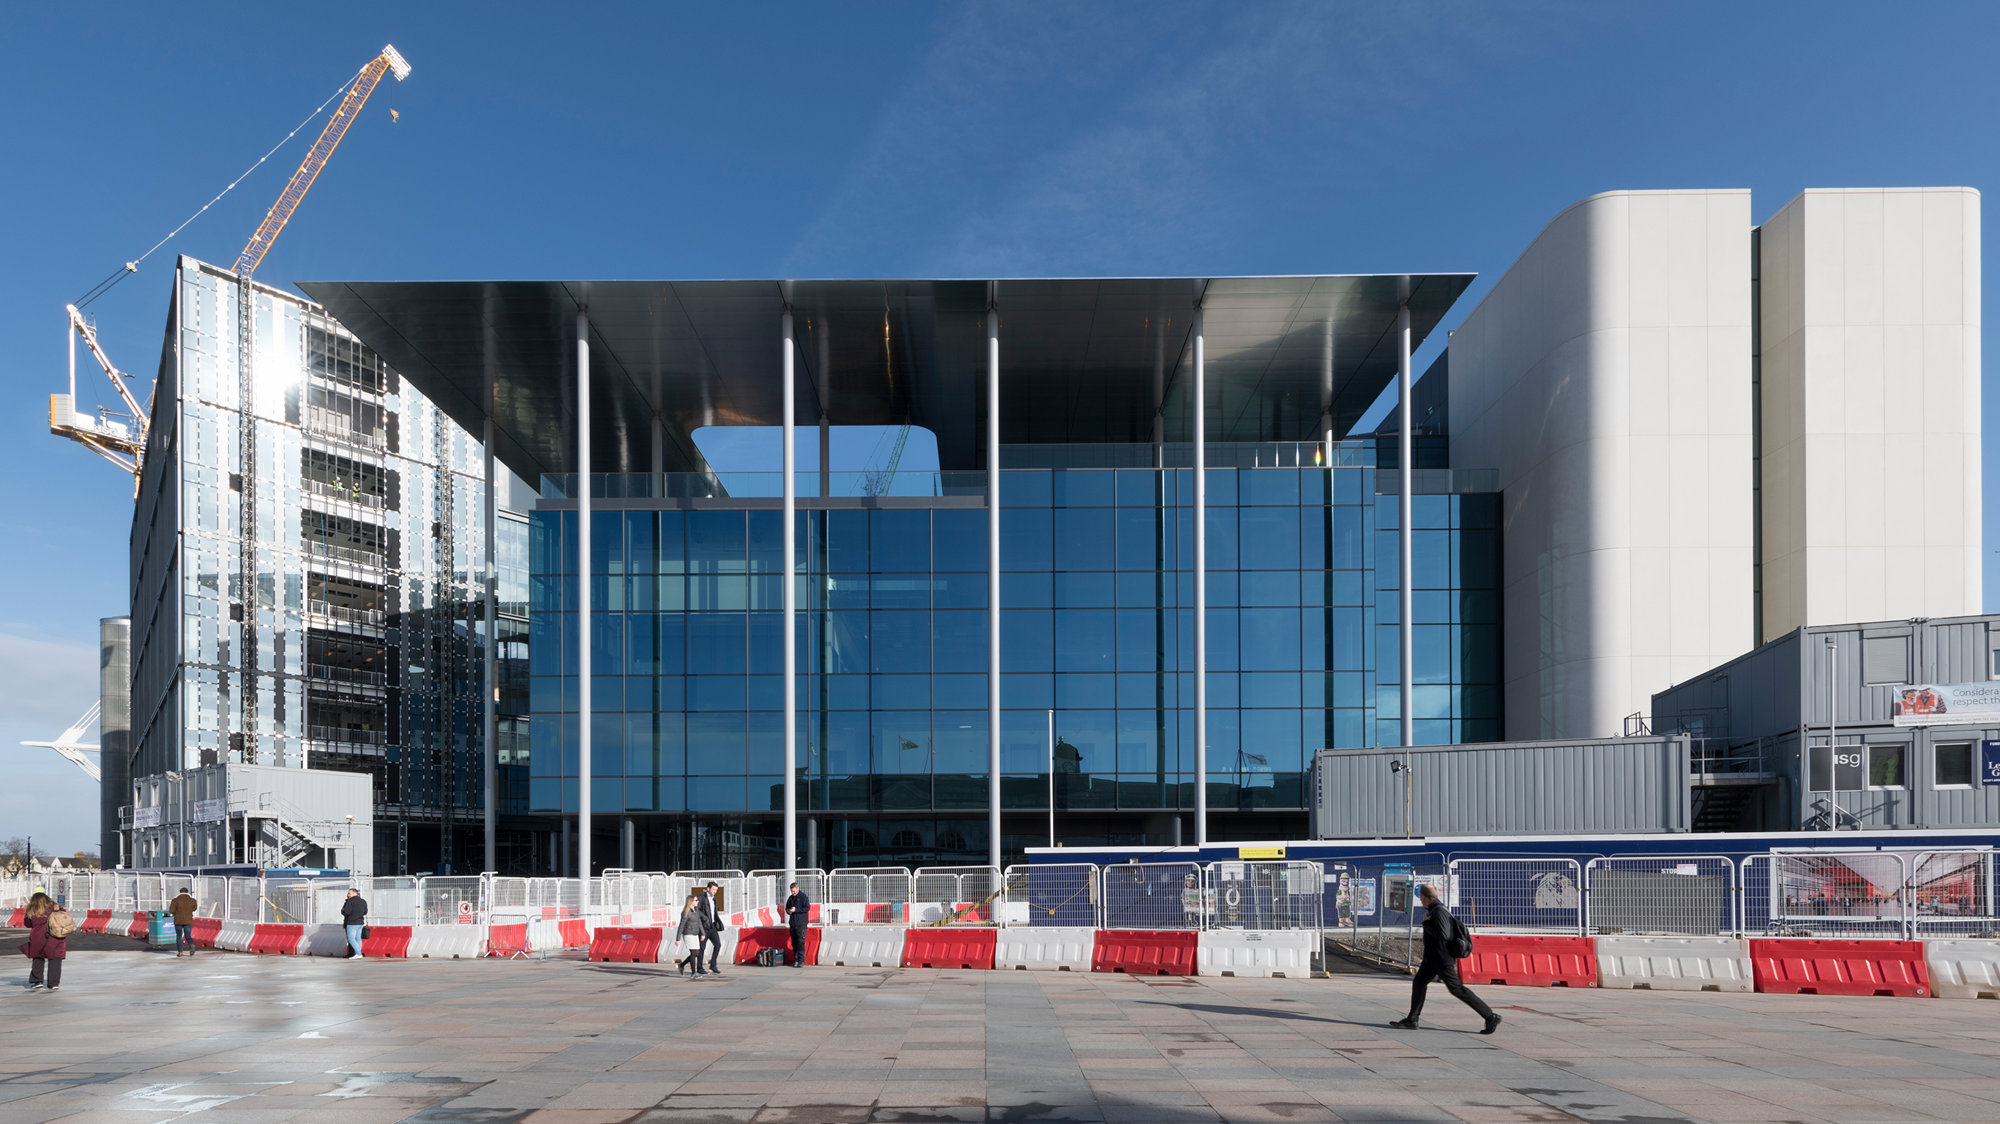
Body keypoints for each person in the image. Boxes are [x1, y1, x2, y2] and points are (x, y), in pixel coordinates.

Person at [1390, 883, 1499, 1034]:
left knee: (1457, 989)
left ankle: (1490, 1016)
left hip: (1441, 960)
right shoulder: (1434, 909)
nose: (1420, 900)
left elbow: (1444, 934)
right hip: (1432, 959)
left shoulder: (1438, 911)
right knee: (1419, 983)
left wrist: (1426, 923)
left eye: (1420, 897)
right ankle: (1412, 1019)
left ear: (1423, 896)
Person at [22, 892, 68, 991]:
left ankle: (37, 981)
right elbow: (65, 918)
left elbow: (27, 923)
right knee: (55, 960)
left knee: (38, 958)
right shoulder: (56, 908)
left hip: (38, 938)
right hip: (55, 936)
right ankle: (53, 983)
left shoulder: (32, 910)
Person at [674, 890, 709, 977]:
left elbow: (699, 923)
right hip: (688, 934)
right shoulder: (686, 912)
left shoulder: (696, 911)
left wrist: (703, 933)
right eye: (696, 900)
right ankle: (693, 973)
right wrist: (678, 939)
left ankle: (681, 965)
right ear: (691, 901)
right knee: (693, 953)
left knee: (696, 953)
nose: (698, 902)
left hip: (695, 934)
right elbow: (681, 926)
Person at [700, 881, 726, 976]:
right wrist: (705, 920)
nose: (715, 891)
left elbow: (714, 912)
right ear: (708, 889)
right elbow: (698, 911)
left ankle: (713, 965)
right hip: (704, 927)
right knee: (702, 948)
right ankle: (699, 967)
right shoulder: (701, 898)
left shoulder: (714, 899)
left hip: (713, 926)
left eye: (716, 890)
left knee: (718, 945)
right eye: (713, 889)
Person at [784, 881, 810, 968]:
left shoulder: (803, 897)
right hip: (793, 923)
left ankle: (801, 960)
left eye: (794, 891)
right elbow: (787, 907)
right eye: (791, 891)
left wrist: (796, 910)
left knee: (800, 942)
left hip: (801, 923)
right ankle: (796, 959)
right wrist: (788, 911)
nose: (793, 893)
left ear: (797, 889)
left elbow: (806, 908)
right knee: (794, 942)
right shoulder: (790, 898)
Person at [169, 887, 199, 958]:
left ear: (180, 892)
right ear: (187, 892)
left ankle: (180, 952)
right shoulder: (192, 900)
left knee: (179, 936)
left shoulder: (175, 900)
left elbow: (171, 911)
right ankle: (191, 945)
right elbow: (194, 908)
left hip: (178, 921)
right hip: (188, 921)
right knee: (187, 936)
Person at [341, 888, 368, 959]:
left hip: (352, 923)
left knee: (351, 939)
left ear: (354, 893)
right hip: (360, 922)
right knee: (358, 939)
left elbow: (346, 912)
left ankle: (358, 953)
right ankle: (357, 953)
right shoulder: (363, 901)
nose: (348, 895)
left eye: (349, 893)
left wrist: (343, 910)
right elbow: (365, 912)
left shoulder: (350, 901)